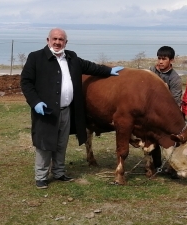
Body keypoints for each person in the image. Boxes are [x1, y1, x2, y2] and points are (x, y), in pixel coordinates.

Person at [20, 28, 123, 189]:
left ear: (65, 43)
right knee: (44, 144)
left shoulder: (71, 57)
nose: (57, 42)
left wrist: (109, 70)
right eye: (54, 39)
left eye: (61, 40)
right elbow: (26, 82)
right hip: (46, 111)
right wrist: (35, 102)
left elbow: (90, 67)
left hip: (66, 110)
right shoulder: (36, 57)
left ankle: (59, 172)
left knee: (62, 142)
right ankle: (41, 176)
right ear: (48, 40)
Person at [149, 46, 183, 170]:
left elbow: (176, 102)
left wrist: (164, 90)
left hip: (167, 116)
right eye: (159, 58)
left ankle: (172, 167)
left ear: (171, 60)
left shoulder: (175, 79)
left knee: (169, 142)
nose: (160, 61)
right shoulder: (151, 72)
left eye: (164, 59)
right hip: (152, 113)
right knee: (152, 139)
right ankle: (156, 164)